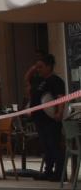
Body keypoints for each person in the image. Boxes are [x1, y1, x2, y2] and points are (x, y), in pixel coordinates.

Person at [29, 52, 69, 180]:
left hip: (50, 120)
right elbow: (27, 79)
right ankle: (48, 171)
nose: (38, 70)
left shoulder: (56, 81)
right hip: (39, 119)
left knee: (54, 145)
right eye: (37, 67)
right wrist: (33, 68)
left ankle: (59, 173)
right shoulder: (40, 81)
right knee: (46, 147)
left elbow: (60, 98)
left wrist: (59, 112)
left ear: (49, 66)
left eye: (41, 67)